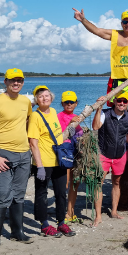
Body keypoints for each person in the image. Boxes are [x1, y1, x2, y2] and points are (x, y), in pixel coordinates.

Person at [0, 68, 34, 249]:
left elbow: (28, 124)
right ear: (5, 82)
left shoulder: (26, 101)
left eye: (19, 80)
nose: (16, 83)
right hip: (3, 154)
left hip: (24, 155)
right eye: (13, 80)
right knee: (3, 194)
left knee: (19, 196)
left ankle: (17, 232)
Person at [72, 8, 128, 107]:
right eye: (125, 22)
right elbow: (97, 30)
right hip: (120, 80)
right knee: (119, 108)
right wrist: (83, 20)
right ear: (121, 23)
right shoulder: (115, 35)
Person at [28, 86, 75, 238]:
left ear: (51, 98)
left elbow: (56, 134)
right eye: (40, 96)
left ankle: (61, 222)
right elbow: (33, 142)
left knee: (61, 193)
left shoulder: (54, 112)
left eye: (47, 95)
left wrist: (69, 131)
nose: (44, 98)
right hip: (43, 162)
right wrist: (39, 166)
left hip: (58, 160)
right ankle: (44, 225)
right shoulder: (35, 116)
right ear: (37, 100)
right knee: (41, 193)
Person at [92, 92, 128, 227]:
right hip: (104, 153)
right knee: (99, 183)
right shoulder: (105, 113)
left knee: (116, 182)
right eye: (119, 101)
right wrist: (98, 108)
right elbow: (96, 127)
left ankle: (114, 211)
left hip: (120, 154)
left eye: (124, 101)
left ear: (127, 103)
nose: (121, 103)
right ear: (114, 101)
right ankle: (98, 216)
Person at [57, 90, 83, 224]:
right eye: (66, 102)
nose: (69, 104)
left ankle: (70, 212)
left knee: (75, 183)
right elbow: (60, 135)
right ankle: (62, 214)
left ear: (76, 103)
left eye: (71, 102)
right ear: (62, 103)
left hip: (75, 153)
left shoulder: (77, 117)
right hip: (64, 153)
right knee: (64, 183)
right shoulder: (58, 116)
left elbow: (78, 135)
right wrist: (70, 123)